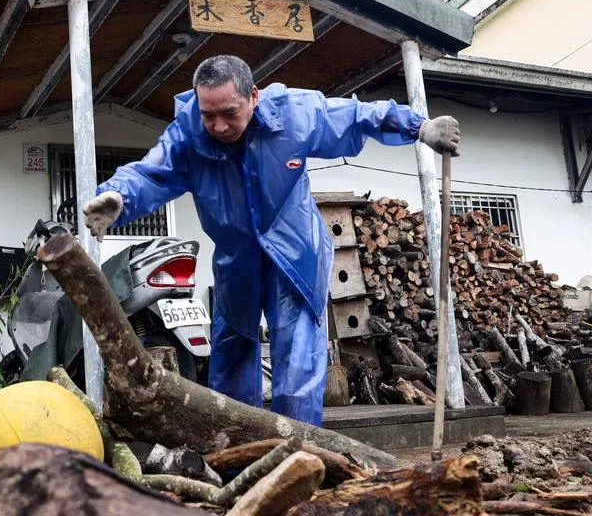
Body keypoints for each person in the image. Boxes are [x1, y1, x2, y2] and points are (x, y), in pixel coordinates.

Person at [81, 55, 459, 426]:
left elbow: (358, 116)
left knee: (296, 364)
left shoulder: (295, 114)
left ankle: (294, 456)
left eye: (230, 113)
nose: (218, 126)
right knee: (230, 362)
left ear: (254, 97)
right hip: (236, 260)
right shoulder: (187, 134)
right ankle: (237, 457)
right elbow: (150, 174)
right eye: (208, 114)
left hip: (295, 253)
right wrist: (119, 198)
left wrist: (419, 127)